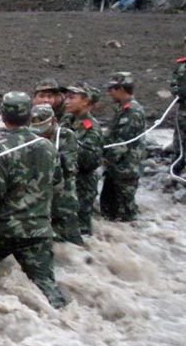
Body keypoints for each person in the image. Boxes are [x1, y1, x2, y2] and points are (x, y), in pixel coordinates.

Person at [0, 92, 67, 309]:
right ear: (29, 116)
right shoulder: (47, 147)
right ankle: (62, 317)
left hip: (2, 230)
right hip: (38, 230)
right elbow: (57, 184)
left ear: (3, 116)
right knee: (46, 285)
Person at [29, 103, 84, 246]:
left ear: (54, 121)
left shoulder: (66, 136)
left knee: (71, 243)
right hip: (40, 200)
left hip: (63, 199)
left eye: (44, 129)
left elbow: (68, 167)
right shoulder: (31, 136)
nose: (41, 133)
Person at [100, 74, 146, 222]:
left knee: (125, 212)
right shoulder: (123, 109)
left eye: (111, 89)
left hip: (125, 169)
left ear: (120, 89)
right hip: (118, 167)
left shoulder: (132, 111)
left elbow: (122, 143)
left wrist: (104, 159)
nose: (109, 93)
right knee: (109, 208)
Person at [61, 83, 103, 235]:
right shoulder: (67, 120)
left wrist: (70, 147)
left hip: (82, 186)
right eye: (66, 97)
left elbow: (90, 161)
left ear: (85, 101)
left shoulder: (91, 128)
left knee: (80, 230)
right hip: (65, 184)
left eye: (72, 98)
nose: (66, 101)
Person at [170, 54, 186, 175]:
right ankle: (176, 171)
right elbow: (173, 84)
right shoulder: (181, 66)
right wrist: (178, 92)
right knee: (179, 142)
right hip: (183, 112)